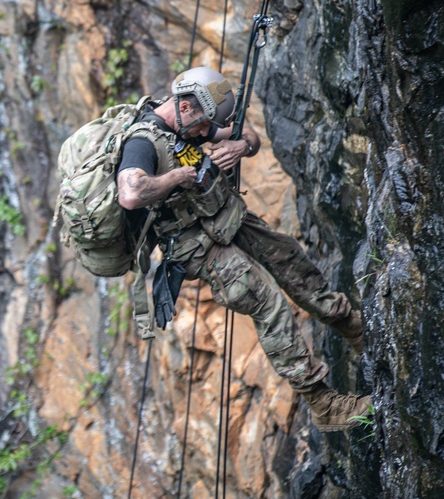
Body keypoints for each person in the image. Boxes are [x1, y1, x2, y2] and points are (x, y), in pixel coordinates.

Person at [115, 66, 370, 432]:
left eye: (209, 127)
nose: (206, 133)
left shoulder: (191, 121)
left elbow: (248, 137)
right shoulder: (142, 142)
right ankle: (322, 402)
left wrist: (240, 146)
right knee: (266, 301)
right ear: (184, 107)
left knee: (288, 257)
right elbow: (130, 193)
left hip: (225, 215)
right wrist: (178, 177)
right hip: (194, 244)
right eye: (204, 126)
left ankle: (351, 326)